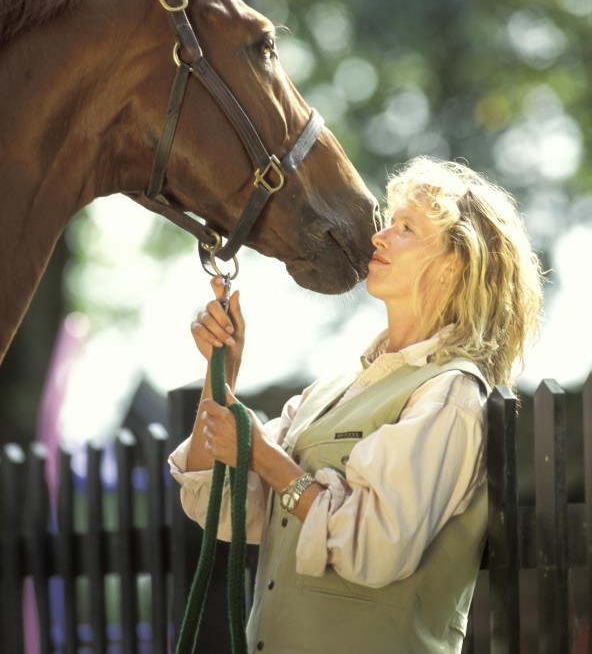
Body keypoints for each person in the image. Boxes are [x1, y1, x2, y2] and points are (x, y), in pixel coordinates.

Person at [169, 156, 543, 654]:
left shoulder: (450, 393)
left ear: (456, 263)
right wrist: (224, 375)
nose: (379, 238)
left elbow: (376, 547)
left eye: (405, 228)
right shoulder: (334, 389)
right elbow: (221, 509)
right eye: (389, 224)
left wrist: (265, 458)